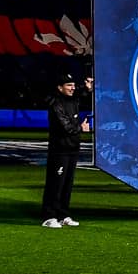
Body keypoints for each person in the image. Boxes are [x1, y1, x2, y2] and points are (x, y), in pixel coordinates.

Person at [41, 73, 85, 227]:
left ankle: (63, 215)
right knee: (56, 184)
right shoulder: (56, 104)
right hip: (59, 150)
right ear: (60, 88)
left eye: (73, 85)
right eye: (68, 85)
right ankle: (49, 217)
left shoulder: (72, 100)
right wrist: (81, 128)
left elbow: (84, 94)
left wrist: (88, 88)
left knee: (67, 184)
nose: (73, 88)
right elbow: (65, 126)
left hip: (72, 148)